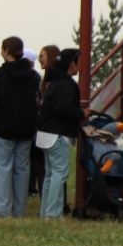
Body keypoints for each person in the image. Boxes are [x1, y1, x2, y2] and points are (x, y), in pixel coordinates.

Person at [0, 36, 40, 218]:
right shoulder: (32, 75)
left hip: (4, 127)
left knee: (2, 168)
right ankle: (18, 209)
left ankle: (1, 210)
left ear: (6, 50)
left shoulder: (2, 73)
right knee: (22, 169)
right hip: (25, 129)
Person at [37, 47, 81, 219]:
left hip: (44, 133)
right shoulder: (67, 85)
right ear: (71, 64)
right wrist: (81, 114)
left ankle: (45, 212)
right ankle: (53, 213)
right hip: (58, 133)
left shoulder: (53, 82)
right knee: (59, 173)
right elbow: (63, 109)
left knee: (49, 174)